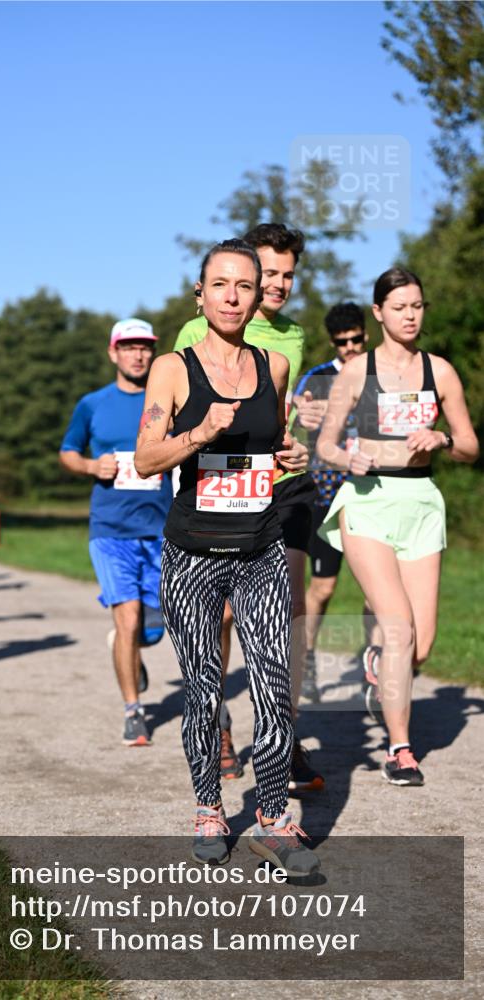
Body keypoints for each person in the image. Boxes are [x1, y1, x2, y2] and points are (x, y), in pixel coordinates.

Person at [135, 239, 319, 875]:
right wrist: (200, 433)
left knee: (272, 683)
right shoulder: (173, 368)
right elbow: (145, 458)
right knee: (204, 686)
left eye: (246, 284)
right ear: (200, 294)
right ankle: (209, 810)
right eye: (221, 285)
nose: (234, 295)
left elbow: (275, 441)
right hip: (192, 554)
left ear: (258, 292)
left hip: (261, 546)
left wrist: (290, 453)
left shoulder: (273, 367)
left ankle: (272, 819)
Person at [174, 223, 323, 792]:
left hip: (279, 483)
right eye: (270, 274)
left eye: (287, 275)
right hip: (217, 485)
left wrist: (296, 440)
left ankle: (284, 733)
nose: (277, 285)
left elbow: (280, 412)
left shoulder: (292, 337)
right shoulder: (199, 327)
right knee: (227, 614)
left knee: (287, 611)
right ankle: (218, 723)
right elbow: (178, 404)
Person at [317, 267, 479, 786]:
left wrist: (442, 440)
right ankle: (401, 749)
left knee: (421, 645)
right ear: (379, 313)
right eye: (401, 307)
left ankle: (376, 662)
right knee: (399, 628)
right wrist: (347, 460)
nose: (411, 315)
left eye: (418, 306)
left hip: (421, 501)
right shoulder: (355, 371)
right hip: (366, 501)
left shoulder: (441, 372)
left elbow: (472, 446)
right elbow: (324, 443)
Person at [59, 319, 174, 747]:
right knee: (126, 617)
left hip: (162, 528)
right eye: (129, 347)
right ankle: (133, 710)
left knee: (153, 628)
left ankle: (130, 648)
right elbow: (68, 451)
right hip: (110, 529)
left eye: (145, 347)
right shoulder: (93, 404)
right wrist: (92, 466)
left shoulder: (167, 401)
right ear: (113, 353)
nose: (138, 355)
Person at [293, 302, 370, 699]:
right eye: (343, 343)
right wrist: (301, 408)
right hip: (324, 495)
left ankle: (375, 662)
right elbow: (292, 410)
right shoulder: (318, 377)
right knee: (322, 588)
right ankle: (305, 659)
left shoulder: (382, 375)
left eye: (356, 339)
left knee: (377, 588)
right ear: (333, 343)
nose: (351, 347)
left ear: (366, 334)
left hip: (373, 495)